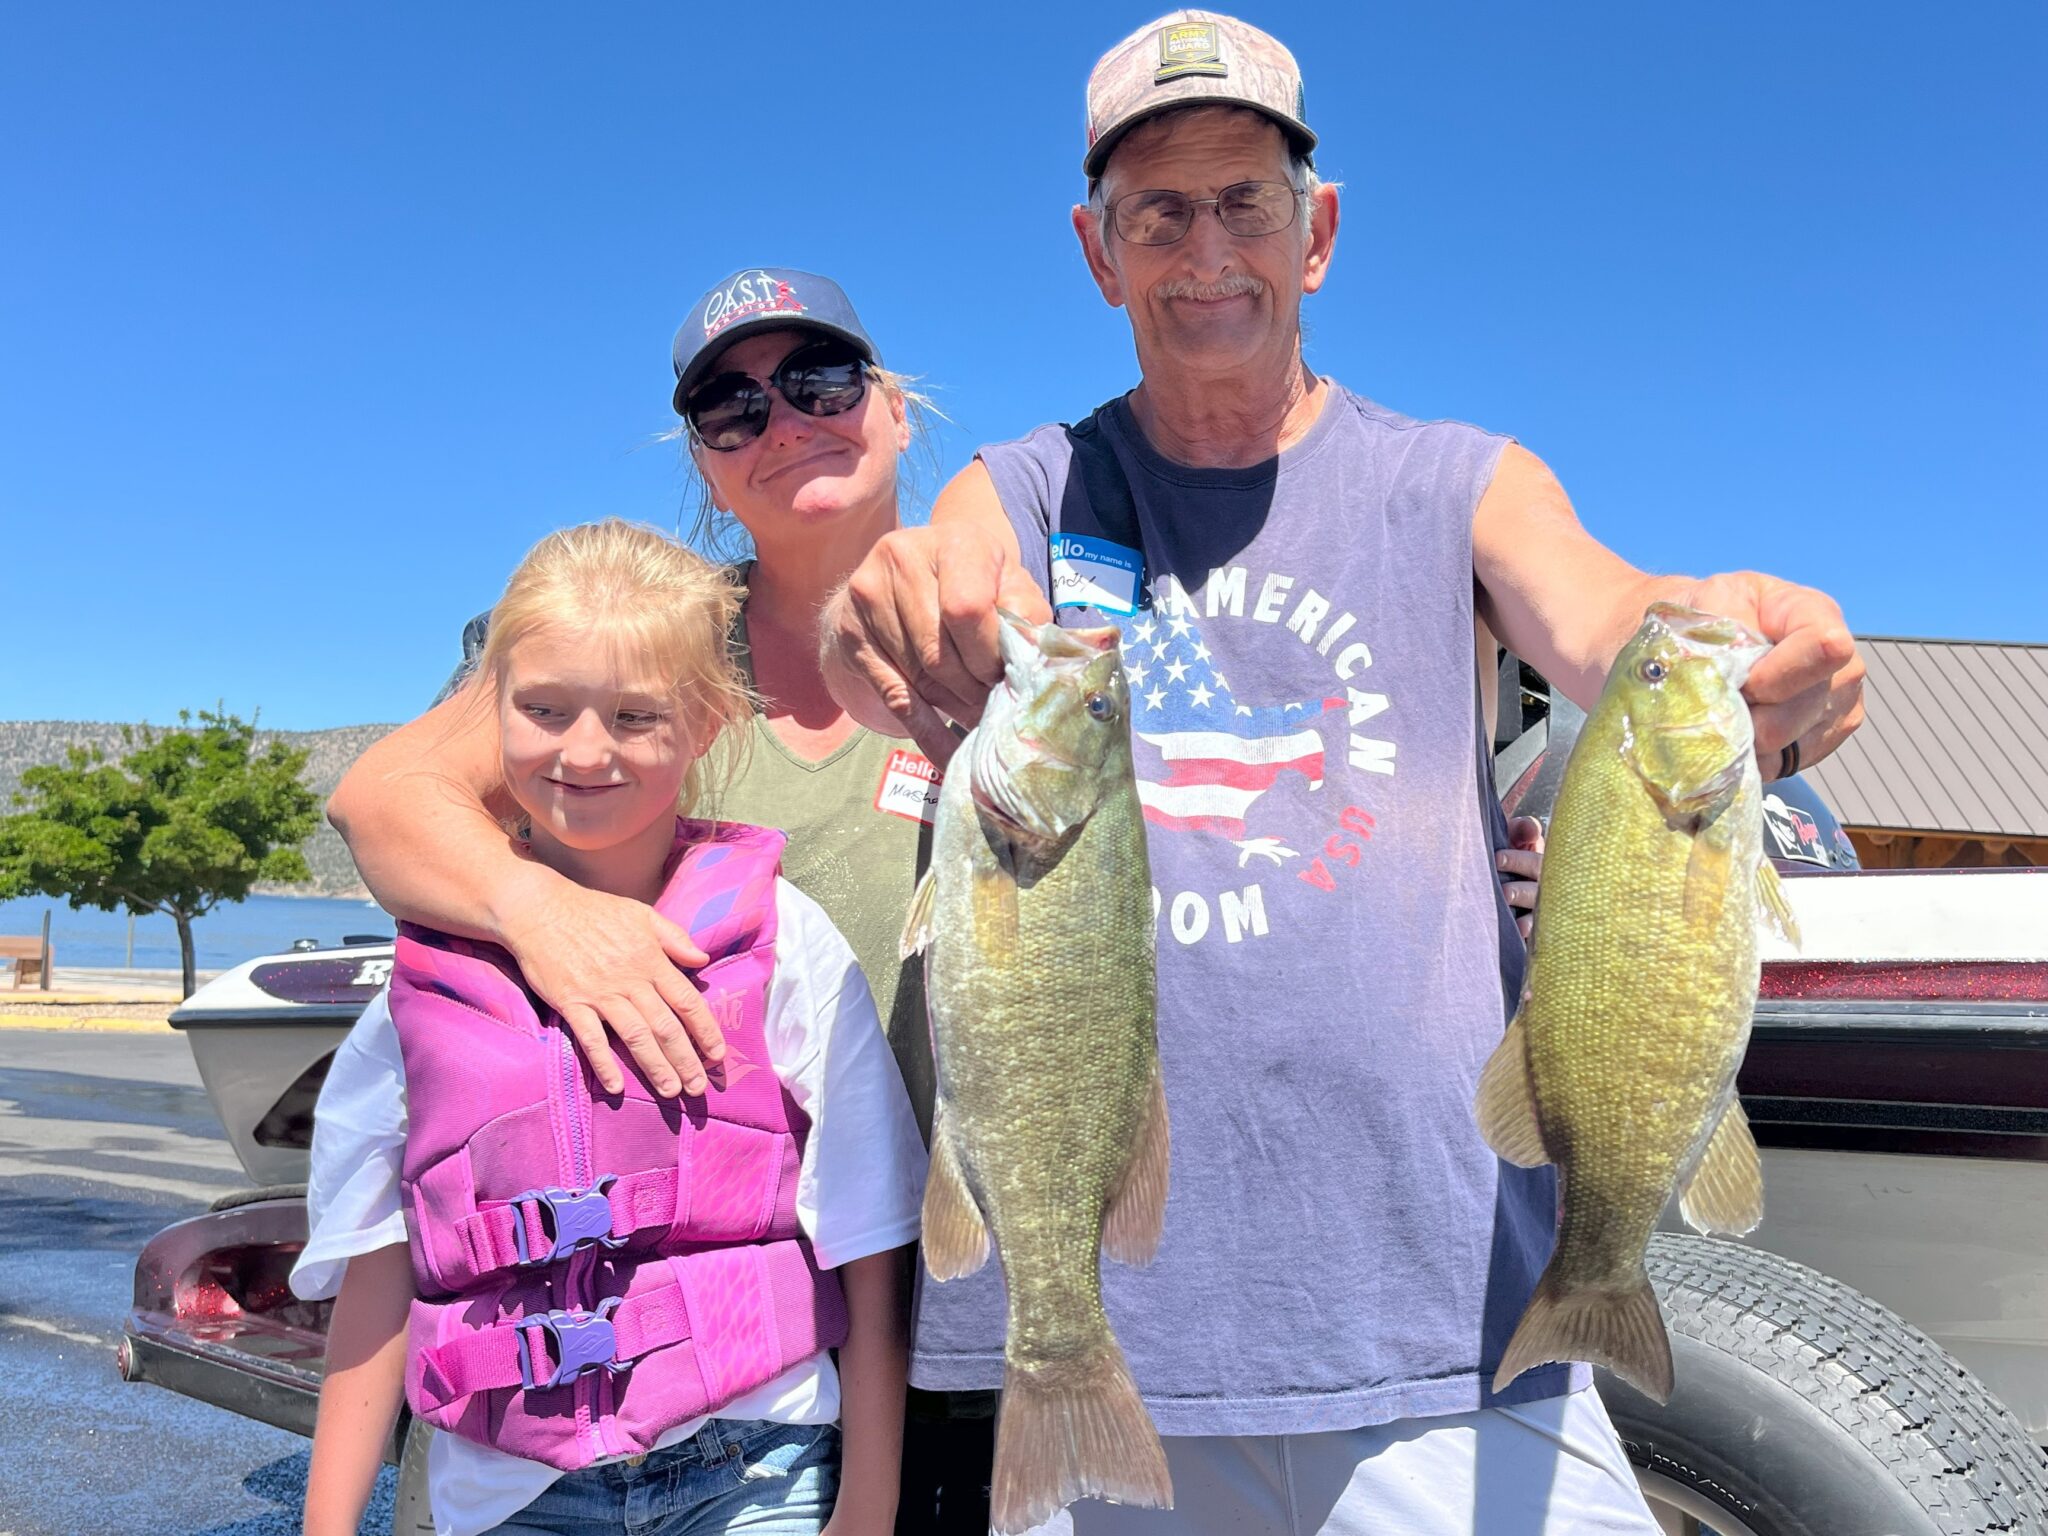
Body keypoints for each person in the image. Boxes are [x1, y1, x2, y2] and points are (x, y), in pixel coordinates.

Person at [815, 11, 1868, 1535]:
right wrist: (895, 613)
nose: (1205, 252)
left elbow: (1598, 615)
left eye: (1244, 202)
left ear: (1317, 231)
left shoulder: (1457, 479)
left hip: (1448, 1302)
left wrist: (1735, 627)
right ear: (1096, 252)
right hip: (1119, 1332)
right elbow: (911, 605)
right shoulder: (1035, 484)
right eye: (1156, 213)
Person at [326, 271, 1020, 1534]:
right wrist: (539, 911)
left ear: (897, 409)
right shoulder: (648, 646)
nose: (782, 421)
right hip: (648, 1385)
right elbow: (383, 800)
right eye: (728, 408)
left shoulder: (989, 628)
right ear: (702, 464)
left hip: (971, 1327)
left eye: (819, 380)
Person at [297, 520, 926, 1536]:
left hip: (754, 1467)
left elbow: (867, 1224)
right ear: (490, 707)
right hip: (508, 1492)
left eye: (636, 717)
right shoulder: (424, 979)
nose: (584, 750)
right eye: (543, 709)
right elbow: (377, 1262)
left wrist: (871, 1498)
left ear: (709, 724)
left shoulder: (786, 943)